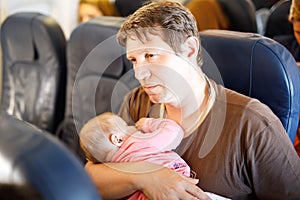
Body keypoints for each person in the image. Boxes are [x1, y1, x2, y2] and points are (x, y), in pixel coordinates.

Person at [84, 1, 300, 199]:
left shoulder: (253, 123)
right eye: (134, 60)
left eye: (151, 55)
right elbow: (93, 174)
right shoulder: (137, 101)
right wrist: (147, 177)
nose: (140, 74)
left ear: (189, 49)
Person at [80, 112, 229, 199]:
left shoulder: (113, 166)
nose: (132, 127)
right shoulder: (138, 143)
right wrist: (149, 124)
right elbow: (174, 132)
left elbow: (90, 171)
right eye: (126, 126)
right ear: (117, 139)